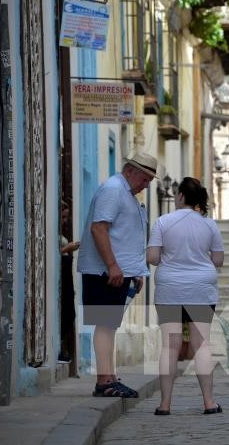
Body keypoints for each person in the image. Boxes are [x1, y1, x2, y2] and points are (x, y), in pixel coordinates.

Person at [77, 152, 157, 398]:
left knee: (109, 325)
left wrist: (135, 271)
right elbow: (99, 228)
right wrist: (112, 265)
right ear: (131, 171)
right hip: (104, 271)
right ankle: (104, 381)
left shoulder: (126, 193)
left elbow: (125, 236)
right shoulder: (113, 189)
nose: (145, 185)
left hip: (117, 272)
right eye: (144, 179)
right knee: (104, 324)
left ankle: (109, 377)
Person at [146, 177, 224, 415]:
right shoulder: (209, 225)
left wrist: (168, 260)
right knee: (201, 345)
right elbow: (218, 260)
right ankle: (209, 402)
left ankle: (165, 404)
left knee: (170, 346)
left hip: (170, 288)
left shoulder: (163, 222)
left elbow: (152, 257)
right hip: (201, 289)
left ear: (179, 196)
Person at [59, 201, 79, 363]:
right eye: (63, 217)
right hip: (61, 276)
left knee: (69, 313)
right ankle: (59, 349)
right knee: (65, 313)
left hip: (65, 276)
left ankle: (60, 348)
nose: (65, 221)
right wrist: (68, 248)